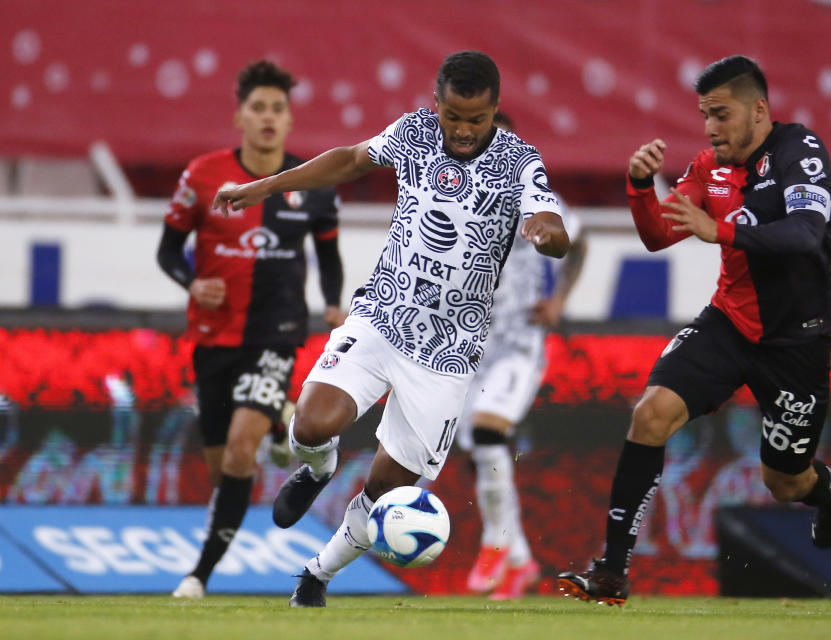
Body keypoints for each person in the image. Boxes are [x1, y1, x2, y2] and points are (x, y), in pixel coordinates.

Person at [213, 50, 570, 608]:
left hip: (448, 355)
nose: (464, 130)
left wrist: (548, 234)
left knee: (389, 492)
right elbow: (350, 160)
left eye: (477, 119)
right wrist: (264, 187)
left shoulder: (521, 163)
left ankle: (316, 575)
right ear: (437, 104)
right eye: (454, 116)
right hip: (382, 317)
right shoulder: (414, 133)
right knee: (310, 424)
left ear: (495, 111)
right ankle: (318, 465)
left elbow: (551, 222)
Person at [557, 55, 831, 606]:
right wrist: (638, 185)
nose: (710, 128)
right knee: (651, 413)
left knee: (784, 481)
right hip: (728, 324)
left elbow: (806, 234)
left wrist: (717, 229)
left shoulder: (800, 151)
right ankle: (611, 571)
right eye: (704, 116)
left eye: (721, 115)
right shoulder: (707, 169)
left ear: (759, 110)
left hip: (798, 341)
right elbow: (657, 235)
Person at [156, 60, 345, 599]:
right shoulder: (201, 176)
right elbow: (168, 249)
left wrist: (332, 303)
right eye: (258, 107)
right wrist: (192, 283)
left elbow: (329, 257)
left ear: (289, 121)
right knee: (223, 471)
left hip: (276, 333)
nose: (267, 117)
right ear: (240, 116)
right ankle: (279, 422)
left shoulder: (313, 184)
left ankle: (198, 577)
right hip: (213, 339)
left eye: (277, 109)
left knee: (241, 451)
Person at [457, 111, 587, 600]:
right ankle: (519, 560)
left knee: (489, 431)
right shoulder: (457, 199)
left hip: (518, 345)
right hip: (468, 349)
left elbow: (579, 239)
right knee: (478, 451)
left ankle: (495, 543)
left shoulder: (537, 200)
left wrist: (560, 299)